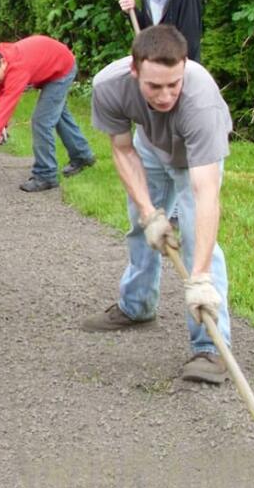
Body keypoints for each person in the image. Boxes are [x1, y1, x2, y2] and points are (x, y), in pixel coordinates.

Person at [81, 24, 233, 385]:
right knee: (139, 225)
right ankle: (136, 307)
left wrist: (199, 279)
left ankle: (211, 347)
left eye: (173, 85)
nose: (165, 96)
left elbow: (205, 193)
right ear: (135, 72)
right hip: (149, 147)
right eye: (154, 87)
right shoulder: (110, 86)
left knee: (199, 242)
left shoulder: (201, 103)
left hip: (192, 156)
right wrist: (150, 212)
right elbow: (122, 149)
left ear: (184, 67)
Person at [0, 36, 96, 193]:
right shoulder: (2, 63)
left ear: (3, 62)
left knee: (41, 121)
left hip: (62, 69)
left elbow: (10, 99)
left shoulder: (17, 67)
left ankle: (46, 175)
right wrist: (1, 127)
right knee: (58, 116)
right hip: (50, 69)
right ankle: (83, 156)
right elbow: (4, 95)